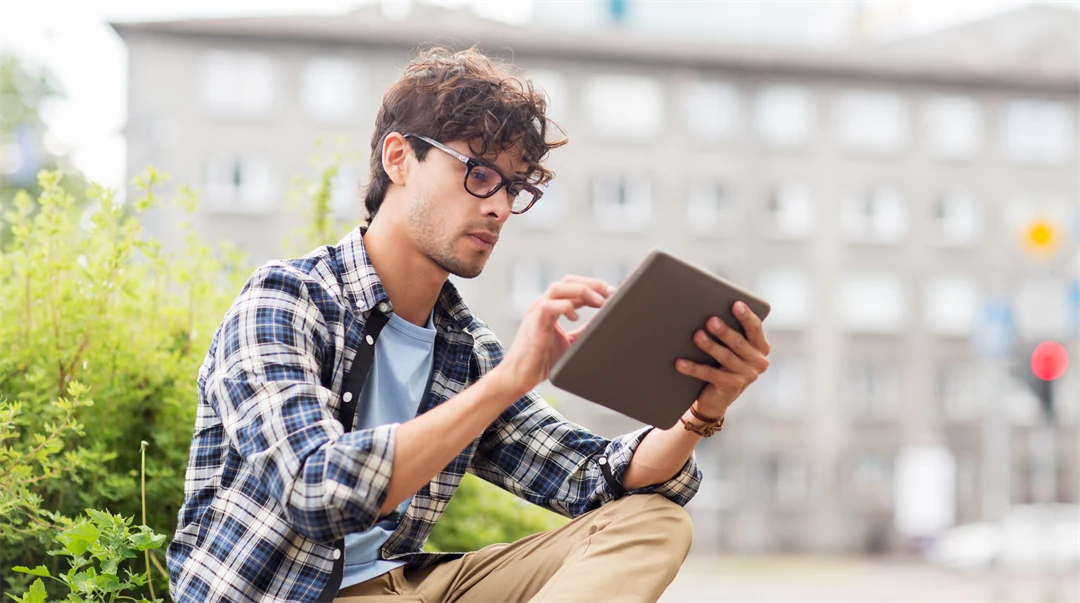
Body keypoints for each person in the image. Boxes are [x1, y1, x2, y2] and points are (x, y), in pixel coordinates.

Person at [166, 46, 771, 603]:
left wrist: (701, 409)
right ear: (399, 158)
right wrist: (506, 382)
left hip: (403, 585)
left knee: (653, 520)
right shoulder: (286, 299)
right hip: (285, 595)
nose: (499, 207)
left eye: (514, 188)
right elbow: (311, 489)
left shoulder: (464, 349)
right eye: (478, 172)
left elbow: (592, 478)